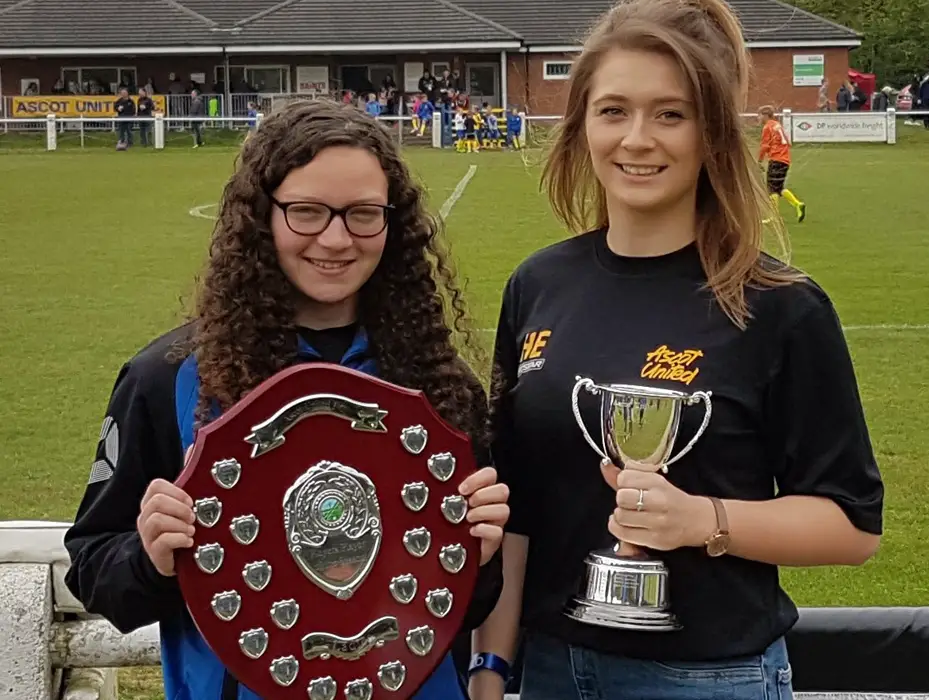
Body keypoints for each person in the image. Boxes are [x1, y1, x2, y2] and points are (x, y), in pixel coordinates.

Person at [469, 1, 884, 699]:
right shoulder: (537, 286)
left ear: (711, 133)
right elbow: (517, 512)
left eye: (670, 114)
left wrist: (704, 521)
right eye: (613, 111)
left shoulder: (779, 305)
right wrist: (490, 670)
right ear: (581, 125)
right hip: (551, 671)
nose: (637, 139)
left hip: (709, 676)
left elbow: (851, 526)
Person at [63, 98, 510, 700]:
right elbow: (93, 569)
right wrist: (151, 558)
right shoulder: (168, 378)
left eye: (363, 214)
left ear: (393, 222)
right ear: (261, 217)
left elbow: (466, 600)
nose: (336, 238)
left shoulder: (440, 384)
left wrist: (478, 554)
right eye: (306, 212)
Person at [757, 105, 805, 223]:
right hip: (785, 160)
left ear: (765, 115)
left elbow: (764, 146)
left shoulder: (767, 127)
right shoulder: (777, 125)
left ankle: (774, 217)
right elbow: (788, 143)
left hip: (776, 159)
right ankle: (798, 204)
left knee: (772, 188)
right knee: (779, 188)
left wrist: (759, 160)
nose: (758, 118)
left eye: (759, 115)